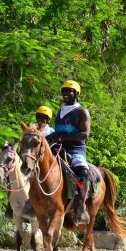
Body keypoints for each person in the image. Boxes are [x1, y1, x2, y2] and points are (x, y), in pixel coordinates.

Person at [49, 79, 93, 224]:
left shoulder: (82, 112)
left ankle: (80, 207)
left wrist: (63, 137)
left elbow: (85, 134)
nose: (66, 93)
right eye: (64, 91)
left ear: (76, 94)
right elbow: (58, 131)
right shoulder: (60, 111)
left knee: (83, 174)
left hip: (75, 150)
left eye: (69, 91)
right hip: (58, 148)